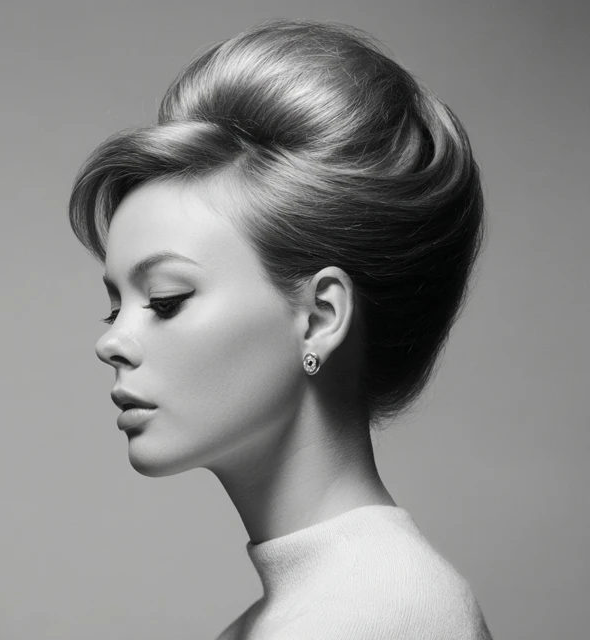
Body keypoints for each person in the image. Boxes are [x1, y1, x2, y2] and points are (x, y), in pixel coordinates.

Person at [68, 17, 493, 640]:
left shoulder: (366, 617)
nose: (110, 342)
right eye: (115, 308)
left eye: (164, 300)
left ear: (320, 318)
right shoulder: (322, 609)